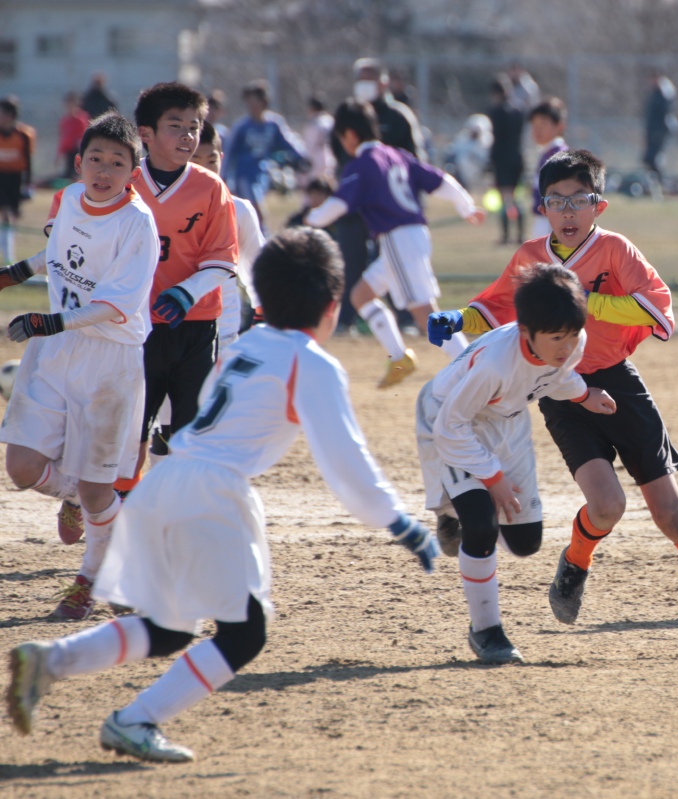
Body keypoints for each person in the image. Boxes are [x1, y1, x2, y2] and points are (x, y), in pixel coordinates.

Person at [5, 226, 440, 764]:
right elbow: (345, 458)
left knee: (169, 628)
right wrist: (398, 521)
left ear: (263, 297)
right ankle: (134, 720)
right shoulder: (312, 363)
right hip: (211, 491)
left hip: (167, 481)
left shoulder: (250, 343)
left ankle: (49, 661)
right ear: (332, 308)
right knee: (245, 634)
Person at [427, 149, 678, 657]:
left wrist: (588, 302)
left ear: (598, 205)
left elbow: (657, 309)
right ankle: (576, 560)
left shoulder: (616, 250)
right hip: (558, 389)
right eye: (555, 200)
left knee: (671, 514)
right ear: (542, 206)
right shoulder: (530, 257)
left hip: (618, 384)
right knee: (607, 506)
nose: (567, 211)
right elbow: (497, 307)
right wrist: (458, 317)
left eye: (578, 200)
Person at [0, 113, 158, 619]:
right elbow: (61, 251)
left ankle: (89, 581)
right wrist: (15, 272)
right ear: (78, 163)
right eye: (96, 159)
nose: (104, 170)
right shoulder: (70, 198)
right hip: (56, 351)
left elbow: (114, 306)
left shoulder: (137, 225)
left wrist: (48, 321)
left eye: (117, 163)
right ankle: (84, 501)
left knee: (97, 491)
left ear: (134, 172)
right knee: (22, 468)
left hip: (109, 363)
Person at [418, 264, 616, 663]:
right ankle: (486, 631)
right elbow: (450, 427)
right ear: (525, 331)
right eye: (556, 338)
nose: (567, 346)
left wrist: (583, 395)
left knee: (526, 543)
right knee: (481, 524)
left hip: (506, 421)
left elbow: (556, 374)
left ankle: (456, 512)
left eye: (573, 335)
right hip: (452, 418)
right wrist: (492, 478)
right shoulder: (496, 364)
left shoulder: (570, 341)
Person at [304, 99, 484, 387]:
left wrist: (311, 219)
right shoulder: (397, 155)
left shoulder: (362, 164)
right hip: (412, 235)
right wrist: (466, 206)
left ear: (350, 134)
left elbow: (338, 204)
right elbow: (439, 180)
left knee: (425, 314)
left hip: (398, 238)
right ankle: (400, 358)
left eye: (341, 138)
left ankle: (473, 368)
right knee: (361, 295)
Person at [124, 82, 239, 503]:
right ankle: (106, 509)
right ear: (146, 133)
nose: (188, 135)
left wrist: (185, 293)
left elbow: (223, 259)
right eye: (176, 126)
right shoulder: (123, 182)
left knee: (190, 434)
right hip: (135, 328)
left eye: (194, 126)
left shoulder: (211, 188)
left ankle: (179, 516)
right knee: (130, 434)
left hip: (196, 327)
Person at [333, 58, 427, 332]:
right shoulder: (348, 115)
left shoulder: (399, 117)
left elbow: (415, 161)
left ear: (383, 82)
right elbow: (339, 158)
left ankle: (406, 318)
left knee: (393, 262)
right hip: (356, 205)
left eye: (370, 78)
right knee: (350, 260)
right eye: (360, 79)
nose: (364, 84)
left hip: (389, 208)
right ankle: (346, 320)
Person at [191, 121, 264, 351]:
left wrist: (262, 318)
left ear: (221, 159)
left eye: (211, 161)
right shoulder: (155, 209)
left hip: (223, 333)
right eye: (195, 161)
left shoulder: (239, 210)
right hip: (167, 329)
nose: (205, 170)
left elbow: (257, 271)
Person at [221, 80, 307, 224]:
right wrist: (223, 177)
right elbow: (229, 154)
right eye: (249, 103)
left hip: (262, 174)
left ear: (264, 102)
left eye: (255, 102)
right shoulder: (242, 127)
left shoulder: (273, 124)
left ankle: (258, 235)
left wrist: (302, 157)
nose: (252, 106)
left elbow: (288, 142)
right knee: (255, 210)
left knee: (253, 213)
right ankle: (262, 236)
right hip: (244, 175)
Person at [487, 73, 526, 246]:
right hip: (517, 157)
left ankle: (505, 236)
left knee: (505, 199)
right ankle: (520, 234)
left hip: (502, 159)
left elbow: (496, 138)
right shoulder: (518, 110)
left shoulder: (495, 112)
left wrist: (490, 161)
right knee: (517, 198)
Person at [0, 96, 36, 264]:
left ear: (11, 115)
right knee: (5, 212)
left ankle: (8, 254)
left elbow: (28, 160)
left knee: (11, 214)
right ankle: (7, 255)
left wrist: (28, 184)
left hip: (14, 178)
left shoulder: (23, 135)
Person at [528, 98, 569, 240]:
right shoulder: (546, 152)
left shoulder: (558, 155)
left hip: (551, 223)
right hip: (543, 220)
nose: (537, 129)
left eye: (543, 124)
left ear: (560, 126)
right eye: (534, 124)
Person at [643, 71, 677, 181]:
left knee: (653, 158)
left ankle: (661, 181)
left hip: (660, 130)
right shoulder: (655, 93)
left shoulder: (664, 92)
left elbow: (665, 111)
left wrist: (659, 130)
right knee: (648, 159)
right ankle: (656, 181)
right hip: (653, 131)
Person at [300, 97, 335, 186]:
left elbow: (310, 145)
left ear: (312, 108)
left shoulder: (314, 121)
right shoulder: (331, 120)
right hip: (331, 156)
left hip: (317, 158)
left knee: (314, 186)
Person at [57, 92, 90, 180]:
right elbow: (63, 138)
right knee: (67, 174)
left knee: (75, 173)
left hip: (77, 150)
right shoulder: (65, 120)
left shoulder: (81, 119)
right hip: (68, 151)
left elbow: (83, 135)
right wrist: (59, 154)